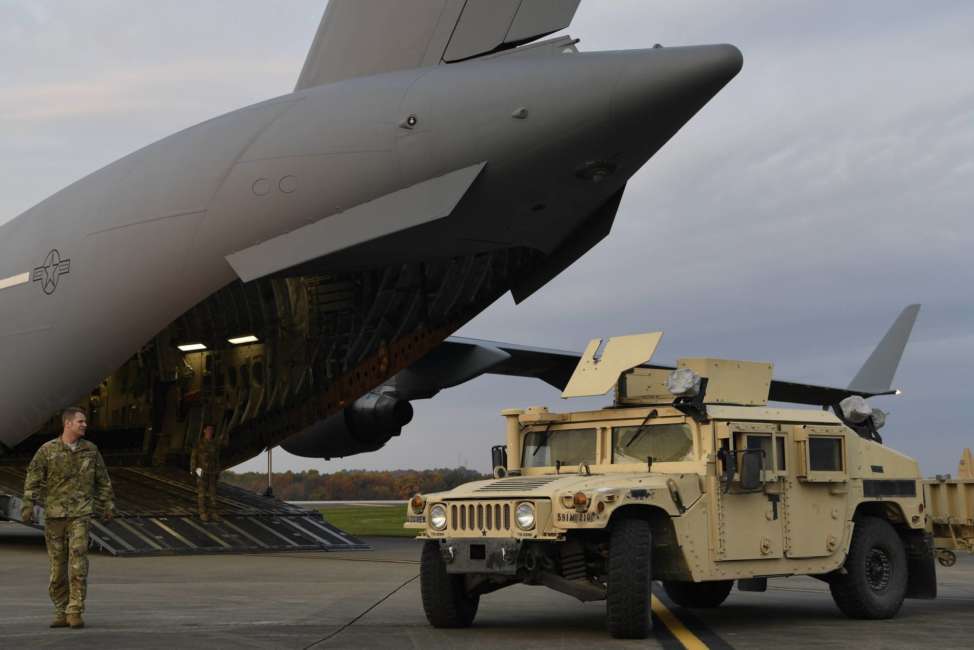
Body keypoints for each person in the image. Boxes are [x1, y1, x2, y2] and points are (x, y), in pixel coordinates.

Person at [21, 407, 115, 630]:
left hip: (80, 515)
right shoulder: (47, 450)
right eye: (80, 421)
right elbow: (32, 478)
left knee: (78, 561)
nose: (85, 425)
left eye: (84, 422)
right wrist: (28, 505)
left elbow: (103, 480)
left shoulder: (91, 451)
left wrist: (107, 504)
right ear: (68, 424)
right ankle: (60, 610)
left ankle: (75, 610)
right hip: (54, 516)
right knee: (57, 566)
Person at [190, 424, 222, 521]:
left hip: (212, 472)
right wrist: (193, 469)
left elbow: (217, 459)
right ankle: (202, 513)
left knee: (213, 494)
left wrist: (218, 471)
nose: (210, 431)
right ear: (204, 431)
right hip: (202, 471)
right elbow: (193, 457)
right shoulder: (199, 443)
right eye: (208, 429)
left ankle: (213, 513)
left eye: (211, 430)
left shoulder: (214, 444)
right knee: (202, 493)